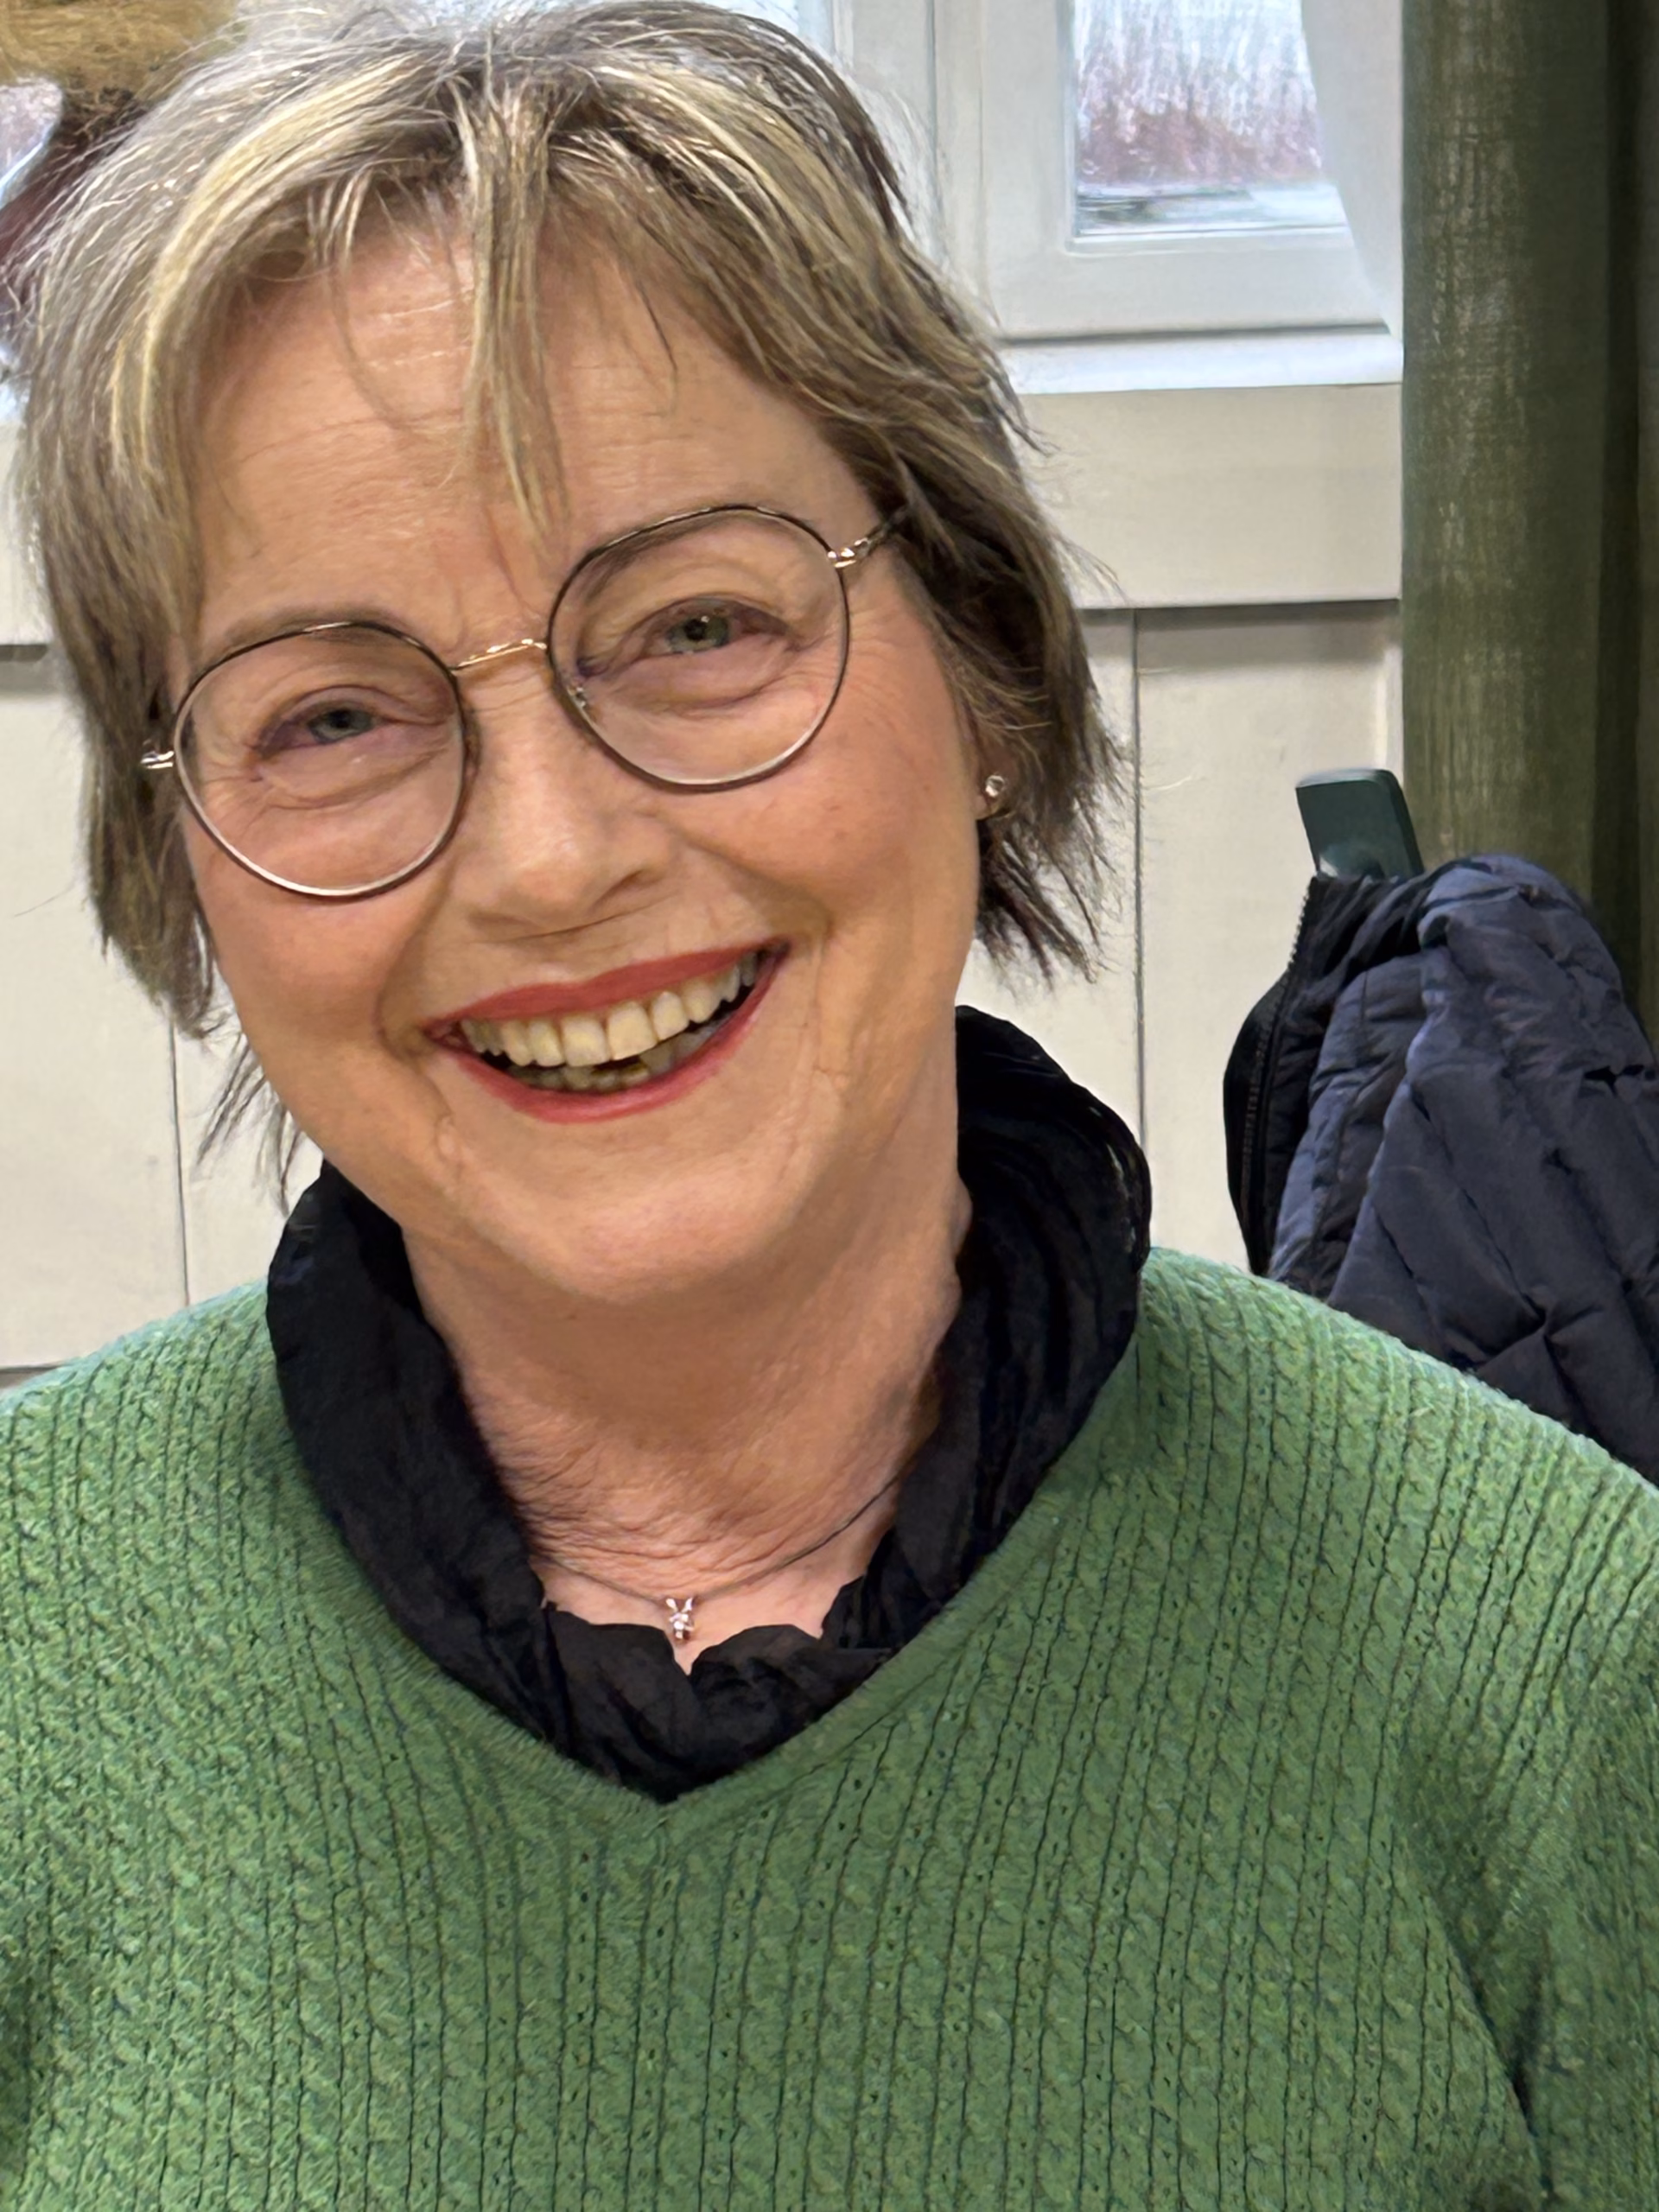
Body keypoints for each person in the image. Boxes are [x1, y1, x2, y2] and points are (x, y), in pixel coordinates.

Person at [3, 3, 1657, 2203]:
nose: (549, 860)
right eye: (331, 715)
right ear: (186, 855)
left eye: (697, 624)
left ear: (984, 665)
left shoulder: (1557, 1659)